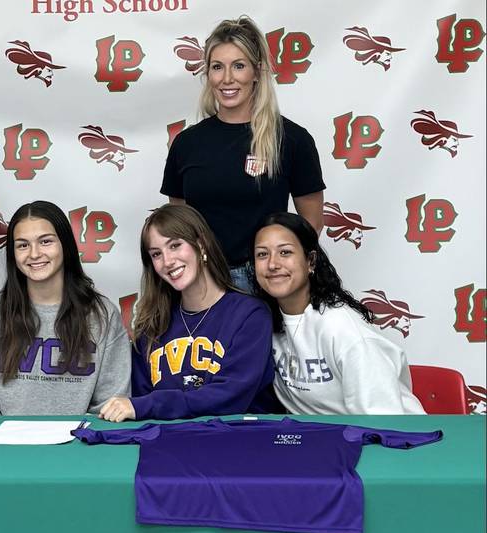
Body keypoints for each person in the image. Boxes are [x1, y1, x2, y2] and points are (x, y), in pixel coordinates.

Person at [161, 15, 325, 292]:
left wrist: (277, 275)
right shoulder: (187, 143)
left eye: (238, 66)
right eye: (217, 67)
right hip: (203, 283)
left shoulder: (292, 139)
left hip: (267, 285)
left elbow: (310, 226)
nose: (227, 78)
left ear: (257, 71)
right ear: (208, 73)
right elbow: (180, 226)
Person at [99, 204, 278, 423]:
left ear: (201, 244)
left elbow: (231, 397)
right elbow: (141, 403)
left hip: (238, 444)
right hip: (169, 446)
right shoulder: (152, 326)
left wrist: (150, 405)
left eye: (175, 245)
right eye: (156, 254)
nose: (167, 261)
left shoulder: (249, 315)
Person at [0, 201, 131, 416]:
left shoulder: (102, 315)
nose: (34, 254)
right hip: (4, 446)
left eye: (45, 242)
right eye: (22, 245)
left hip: (80, 445)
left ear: (65, 245)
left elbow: (110, 406)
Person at [251, 212, 425, 414]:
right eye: (262, 254)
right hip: (322, 439)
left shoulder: (341, 328)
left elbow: (383, 417)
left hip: (391, 437)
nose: (272, 264)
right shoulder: (263, 323)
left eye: (285, 252)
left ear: (311, 261)